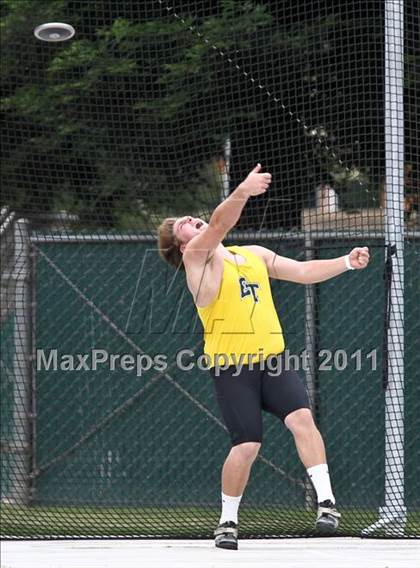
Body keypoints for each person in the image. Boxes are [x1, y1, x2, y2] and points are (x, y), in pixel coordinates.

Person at [157, 164, 370, 550]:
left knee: (302, 419)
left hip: (271, 361)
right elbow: (220, 224)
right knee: (248, 445)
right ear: (183, 246)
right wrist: (242, 190)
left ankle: (326, 504)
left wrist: (345, 262)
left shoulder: (251, 254)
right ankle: (227, 521)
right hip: (232, 367)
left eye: (188, 218)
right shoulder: (198, 260)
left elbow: (303, 270)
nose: (190, 221)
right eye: (183, 227)